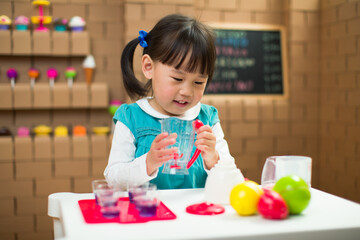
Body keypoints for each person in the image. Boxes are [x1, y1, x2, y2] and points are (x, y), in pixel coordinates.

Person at [104, 14, 241, 190]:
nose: (187, 92)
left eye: (198, 82)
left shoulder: (208, 119)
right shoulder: (131, 118)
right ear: (148, 67)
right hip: (150, 215)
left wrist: (213, 158)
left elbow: (233, 180)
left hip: (196, 214)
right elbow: (114, 179)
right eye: (177, 78)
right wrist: (148, 162)